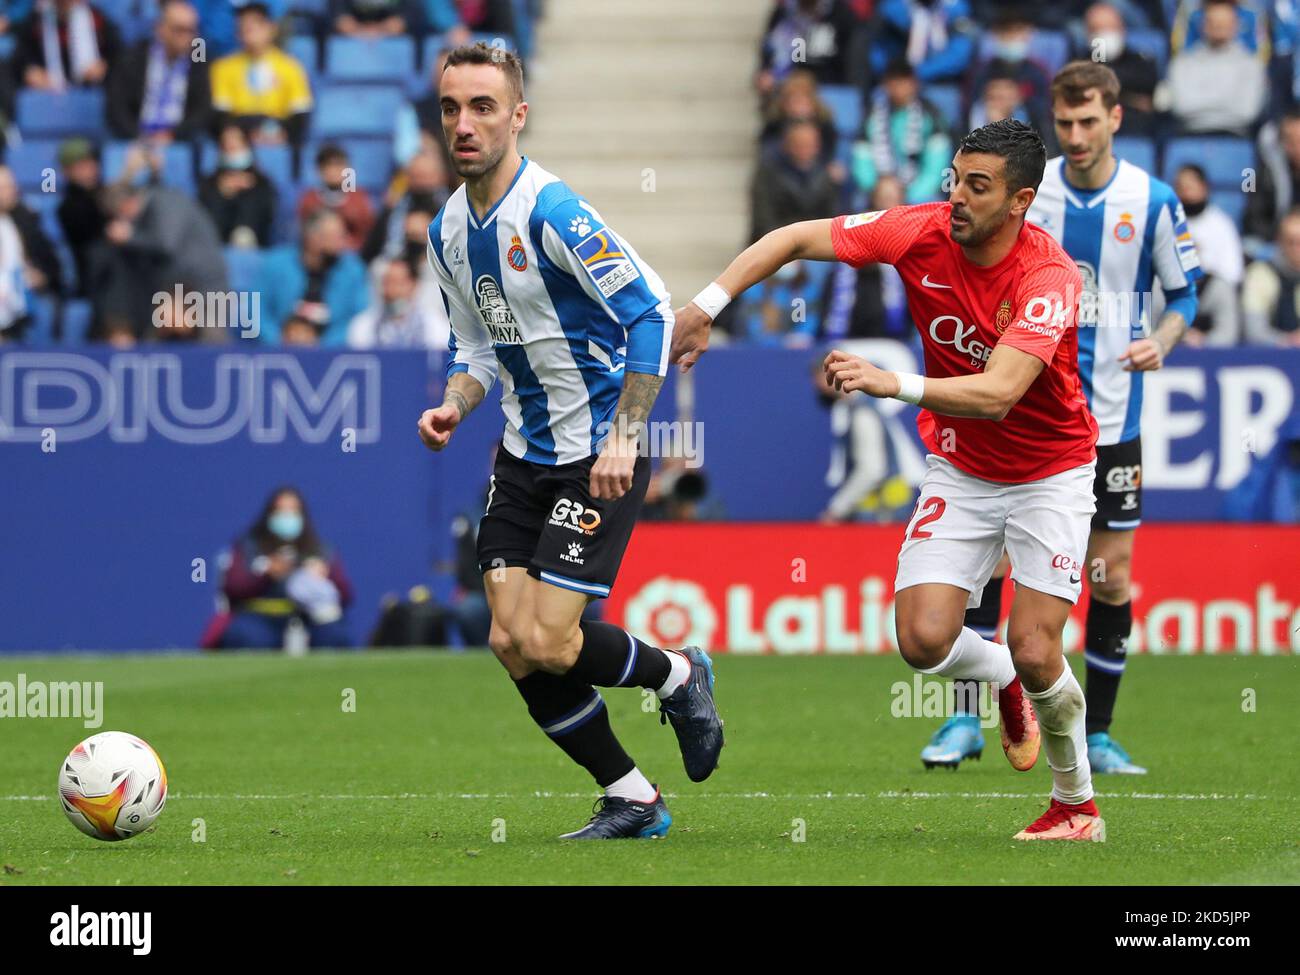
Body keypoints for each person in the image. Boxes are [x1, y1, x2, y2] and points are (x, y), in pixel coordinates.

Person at [674, 118, 1106, 842]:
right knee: (922, 639)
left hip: (1050, 471)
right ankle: (1000, 677)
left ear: (1020, 200)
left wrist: (889, 381)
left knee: (1040, 649)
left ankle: (1076, 805)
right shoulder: (917, 231)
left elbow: (1000, 390)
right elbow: (790, 238)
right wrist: (704, 306)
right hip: (965, 466)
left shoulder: (1049, 277)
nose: (958, 197)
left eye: (979, 186)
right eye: (955, 179)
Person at [416, 43, 723, 840]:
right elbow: (475, 350)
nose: (464, 123)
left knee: (551, 638)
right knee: (511, 643)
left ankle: (680, 675)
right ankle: (633, 795)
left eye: (483, 106)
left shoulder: (553, 214)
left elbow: (651, 311)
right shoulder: (448, 229)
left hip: (596, 454)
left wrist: (626, 436)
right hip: (521, 456)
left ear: (518, 115)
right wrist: (453, 403)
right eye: (451, 107)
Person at [927, 62, 1203, 776]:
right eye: (1065, 123)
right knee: (981, 569)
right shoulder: (1024, 193)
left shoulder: (1153, 200)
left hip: (1109, 419)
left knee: (1108, 578)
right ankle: (963, 721)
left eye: (1089, 122)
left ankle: (1100, 733)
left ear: (1116, 117)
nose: (1076, 137)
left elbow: (1185, 296)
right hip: (1017, 408)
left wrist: (1161, 341)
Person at [212, 486, 353, 650]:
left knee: (336, 636)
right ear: (270, 514)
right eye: (281, 510)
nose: (287, 517)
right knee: (247, 636)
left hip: (309, 616)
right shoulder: (248, 547)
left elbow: (345, 595)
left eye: (293, 510)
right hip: (261, 615)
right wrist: (266, 574)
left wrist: (324, 578)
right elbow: (233, 587)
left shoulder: (320, 550)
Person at [105, 0, 213, 142]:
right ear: (160, 29)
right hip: (134, 138)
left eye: (191, 30)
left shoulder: (199, 60)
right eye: (179, 30)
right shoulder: (133, 58)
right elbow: (116, 108)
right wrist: (139, 137)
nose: (187, 38)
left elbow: (202, 110)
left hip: (179, 140)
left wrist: (172, 135)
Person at [210, 1, 313, 148]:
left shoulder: (291, 67)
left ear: (271, 28)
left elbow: (300, 113)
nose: (248, 32)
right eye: (243, 27)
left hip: (278, 136)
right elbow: (221, 113)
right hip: (238, 138)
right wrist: (234, 133)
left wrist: (283, 134)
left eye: (254, 26)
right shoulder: (223, 68)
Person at [1162, 0, 1266, 136]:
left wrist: (1204, 105)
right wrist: (1225, 103)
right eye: (1213, 22)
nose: (1218, 27)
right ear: (1203, 25)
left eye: (1224, 23)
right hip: (1189, 134)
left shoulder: (1251, 65)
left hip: (1237, 136)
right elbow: (1181, 107)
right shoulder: (1183, 63)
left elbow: (1248, 112)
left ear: (1235, 25)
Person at [1173, 163, 1242, 345]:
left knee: (1224, 290)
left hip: (1208, 289)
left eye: (1191, 186)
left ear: (1204, 187)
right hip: (1174, 287)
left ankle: (1217, 343)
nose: (1186, 192)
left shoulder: (1221, 223)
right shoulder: (1167, 221)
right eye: (1181, 187)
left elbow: (1233, 272)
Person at [198, 123, 278, 247]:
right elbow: (204, 217)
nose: (232, 146)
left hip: (250, 244)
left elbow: (267, 216)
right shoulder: (210, 182)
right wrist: (223, 194)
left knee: (243, 236)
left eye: (236, 142)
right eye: (227, 144)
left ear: (246, 145)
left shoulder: (261, 182)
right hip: (216, 244)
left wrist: (247, 191)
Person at [1242, 209, 1300, 345]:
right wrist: (1288, 341)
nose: (1296, 249)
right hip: (1275, 355)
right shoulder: (1260, 273)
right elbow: (1254, 330)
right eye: (1291, 242)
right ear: (1279, 241)